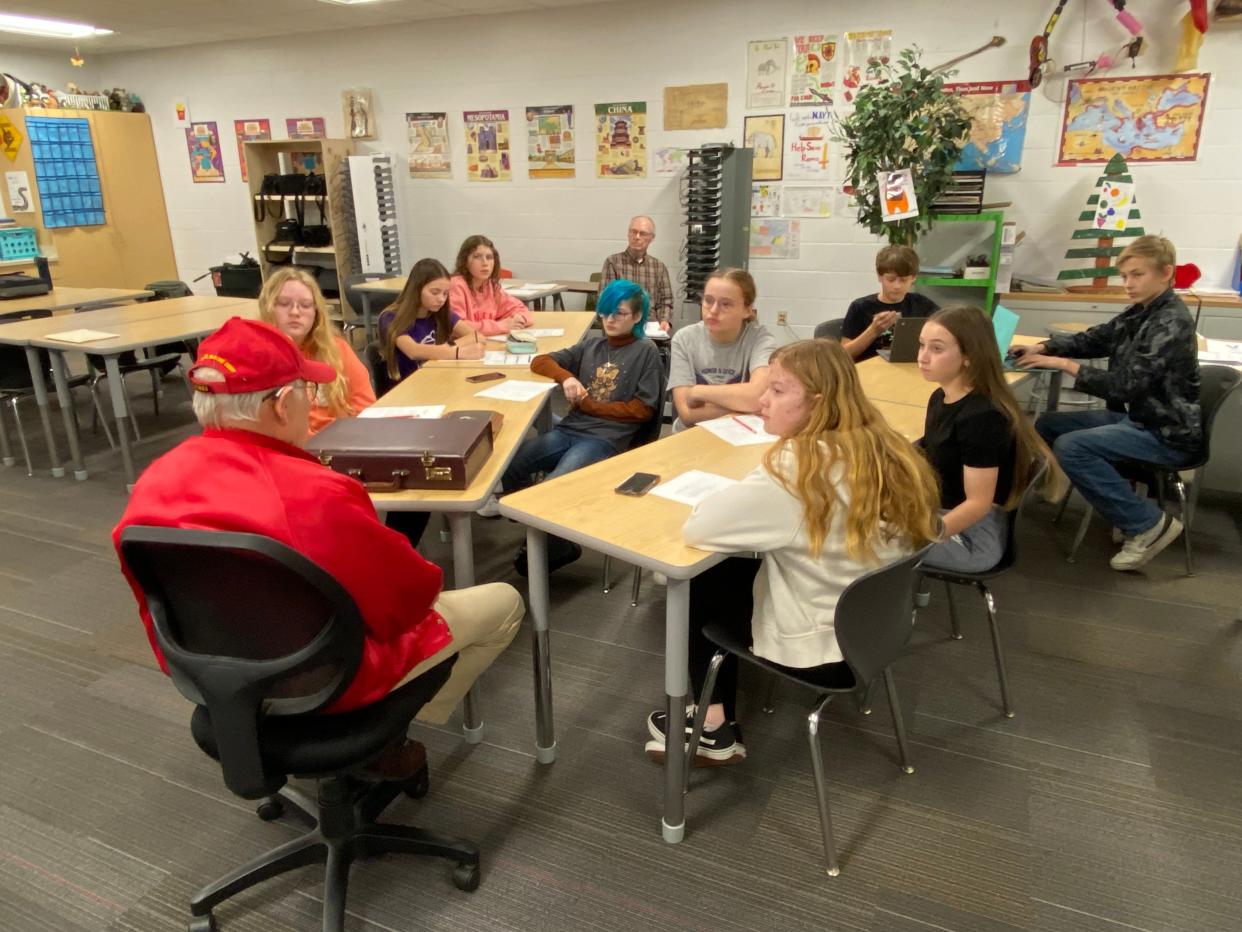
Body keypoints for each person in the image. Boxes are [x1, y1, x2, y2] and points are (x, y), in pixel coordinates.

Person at [113, 318, 524, 777]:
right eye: (308, 391)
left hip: (213, 676)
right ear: (284, 403)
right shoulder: (315, 493)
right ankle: (387, 741)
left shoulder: (153, 482)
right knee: (504, 604)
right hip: (331, 680)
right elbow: (410, 600)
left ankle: (374, 743)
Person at [644, 339, 941, 765]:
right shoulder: (883, 444)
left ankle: (710, 726)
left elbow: (700, 527)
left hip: (824, 645)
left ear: (817, 403)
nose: (762, 400)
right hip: (876, 627)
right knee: (732, 569)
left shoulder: (799, 467)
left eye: (778, 391)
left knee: (695, 579)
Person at [1009, 235, 1200, 571]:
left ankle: (1147, 524)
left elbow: (1125, 386)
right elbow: (1098, 337)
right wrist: (1046, 348)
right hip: (1140, 420)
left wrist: (1064, 365)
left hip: (1166, 432)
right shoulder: (1143, 312)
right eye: (1125, 276)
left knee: (1072, 447)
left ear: (1165, 272)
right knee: (1049, 425)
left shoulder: (1171, 322)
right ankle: (1108, 501)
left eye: (1137, 275)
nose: (1128, 284)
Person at [502, 279, 664, 575]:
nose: (609, 320)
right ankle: (543, 531)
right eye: (604, 314)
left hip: (606, 438)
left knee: (555, 483)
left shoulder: (646, 351)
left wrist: (591, 406)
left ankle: (550, 541)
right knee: (512, 463)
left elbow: (643, 410)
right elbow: (541, 360)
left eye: (619, 313)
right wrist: (567, 378)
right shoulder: (593, 346)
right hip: (572, 429)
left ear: (638, 317)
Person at [916, 305, 1047, 573]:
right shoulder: (940, 397)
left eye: (937, 349)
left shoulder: (983, 417)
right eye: (921, 346)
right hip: (944, 510)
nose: (923, 357)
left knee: (861, 542)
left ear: (968, 356)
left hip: (974, 536)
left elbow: (978, 504)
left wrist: (922, 535)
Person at [258, 266, 374, 436]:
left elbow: (366, 407)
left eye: (305, 305)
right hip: (292, 448)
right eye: (284, 304)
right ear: (268, 307)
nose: (295, 312)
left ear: (316, 313)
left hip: (342, 442)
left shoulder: (337, 349)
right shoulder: (257, 357)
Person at [668, 268, 776, 431]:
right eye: (708, 300)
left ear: (747, 310)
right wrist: (744, 405)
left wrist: (698, 391)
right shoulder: (684, 339)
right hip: (692, 435)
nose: (713, 310)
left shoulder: (760, 339)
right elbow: (687, 414)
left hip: (740, 434)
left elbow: (757, 397)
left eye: (726, 304)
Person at [380, 257, 484, 380]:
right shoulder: (390, 317)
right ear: (417, 289)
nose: (441, 299)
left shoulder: (440, 312)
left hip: (434, 377)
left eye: (445, 293)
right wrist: (457, 352)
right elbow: (414, 351)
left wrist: (449, 346)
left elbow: (477, 336)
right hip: (406, 385)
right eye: (435, 292)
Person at [840, 245, 938, 361]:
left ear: (913, 278)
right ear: (879, 276)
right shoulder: (861, 307)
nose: (897, 286)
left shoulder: (922, 304)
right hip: (871, 371)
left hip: (909, 368)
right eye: (891, 279)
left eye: (904, 280)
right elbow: (843, 355)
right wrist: (873, 330)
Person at [600, 215, 674, 332]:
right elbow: (606, 299)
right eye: (633, 232)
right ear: (628, 234)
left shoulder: (659, 267)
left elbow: (666, 301)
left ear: (651, 238)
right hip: (621, 325)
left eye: (642, 233)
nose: (637, 237)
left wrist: (664, 321)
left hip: (650, 325)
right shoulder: (613, 263)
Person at [449, 235, 533, 336]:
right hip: (461, 347)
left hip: (486, 344)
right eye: (477, 257)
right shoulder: (456, 285)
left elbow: (521, 309)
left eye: (489, 257)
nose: (485, 263)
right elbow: (458, 328)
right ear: (465, 261)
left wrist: (519, 319)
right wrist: (501, 326)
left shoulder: (491, 286)